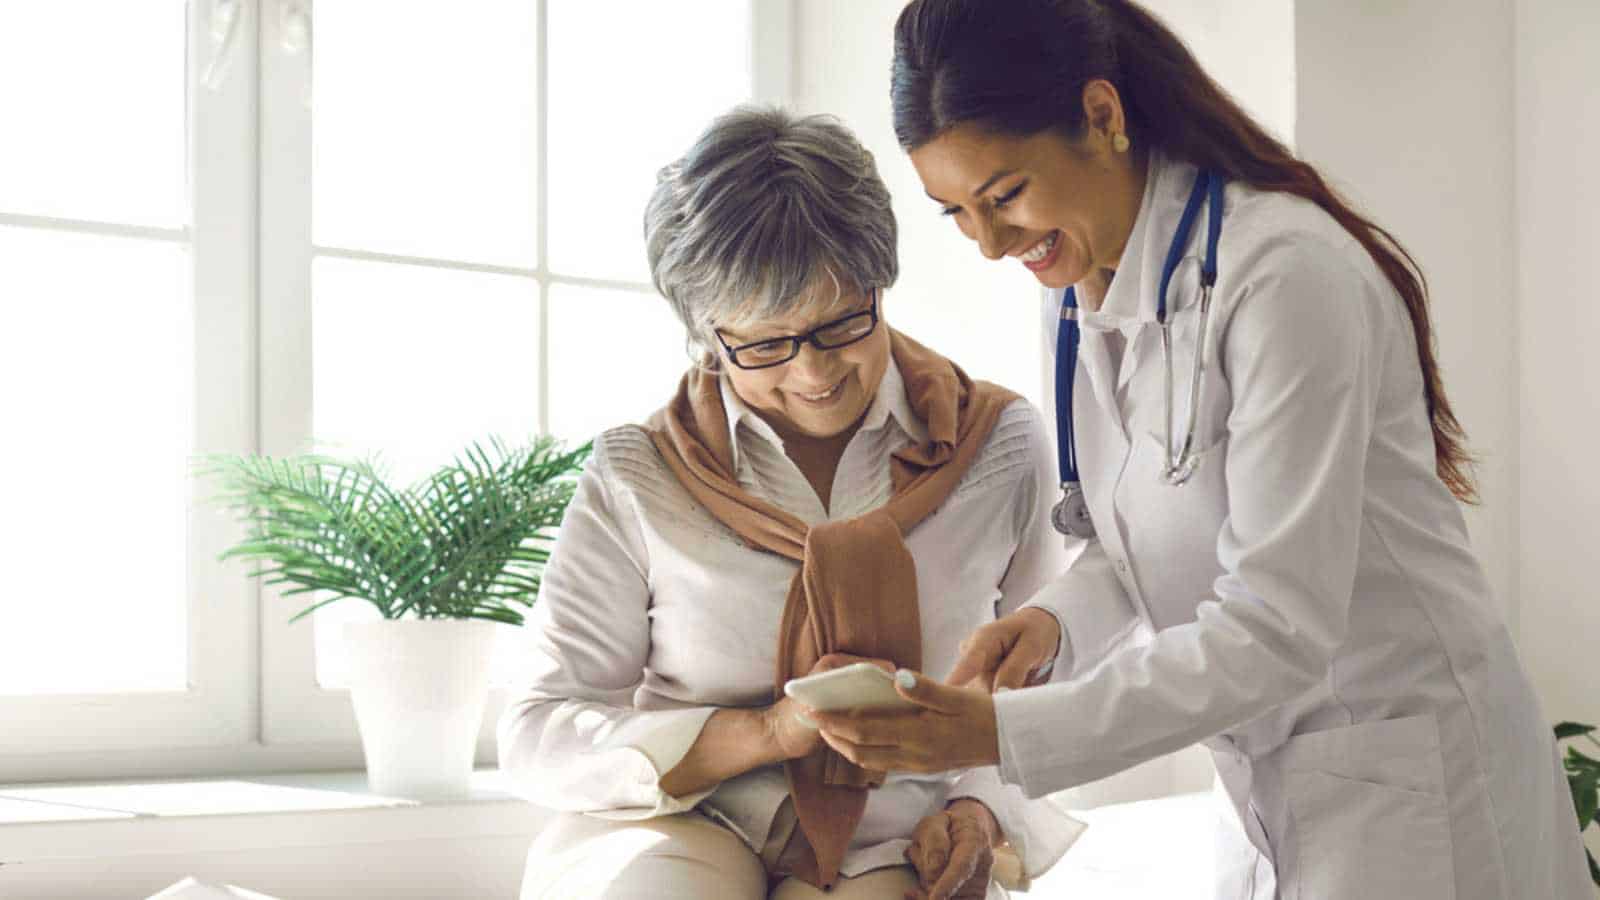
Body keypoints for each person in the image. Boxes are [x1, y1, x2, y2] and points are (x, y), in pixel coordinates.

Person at [805, 2, 1595, 899]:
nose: (989, 244)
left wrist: (997, 736)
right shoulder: (1073, 283)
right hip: (1272, 779)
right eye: (955, 213)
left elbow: (1276, 625)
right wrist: (1057, 623)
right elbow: (1136, 531)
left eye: (1005, 196)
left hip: (1409, 766)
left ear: (1101, 117)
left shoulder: (1284, 275)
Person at [497, 106, 1081, 900]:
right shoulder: (641, 474)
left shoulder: (999, 444)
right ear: (707, 336)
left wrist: (979, 807)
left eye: (842, 324)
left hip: (899, 835)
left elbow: (1049, 691)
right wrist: (763, 735)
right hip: (688, 814)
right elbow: (539, 731)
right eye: (765, 344)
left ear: (881, 283)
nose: (813, 375)